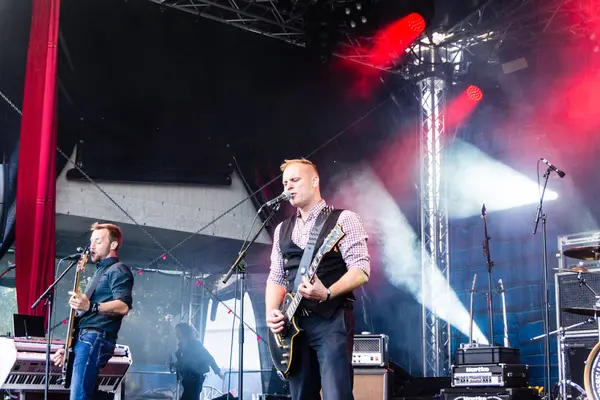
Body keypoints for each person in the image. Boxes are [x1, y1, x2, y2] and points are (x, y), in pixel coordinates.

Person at [265, 158, 371, 400]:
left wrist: (328, 292)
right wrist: (272, 313)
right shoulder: (282, 229)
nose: (288, 187)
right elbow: (276, 276)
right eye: (284, 183)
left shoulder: (344, 220)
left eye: (294, 180)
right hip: (293, 328)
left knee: (337, 394)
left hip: (331, 321)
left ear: (314, 181)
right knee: (301, 395)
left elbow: (361, 268)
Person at [52, 222, 134, 400]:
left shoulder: (118, 270)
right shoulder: (99, 273)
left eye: (98, 241)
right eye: (91, 241)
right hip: (86, 338)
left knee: (79, 396)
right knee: (82, 394)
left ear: (113, 245)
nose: (91, 246)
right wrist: (69, 347)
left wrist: (91, 306)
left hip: (95, 337)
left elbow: (123, 306)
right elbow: (84, 316)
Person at [173, 322, 223, 400]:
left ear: (183, 331)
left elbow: (208, 357)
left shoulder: (196, 344)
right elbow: (182, 362)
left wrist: (218, 371)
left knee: (191, 397)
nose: (176, 333)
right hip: (186, 378)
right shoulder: (181, 346)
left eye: (177, 331)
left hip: (195, 377)